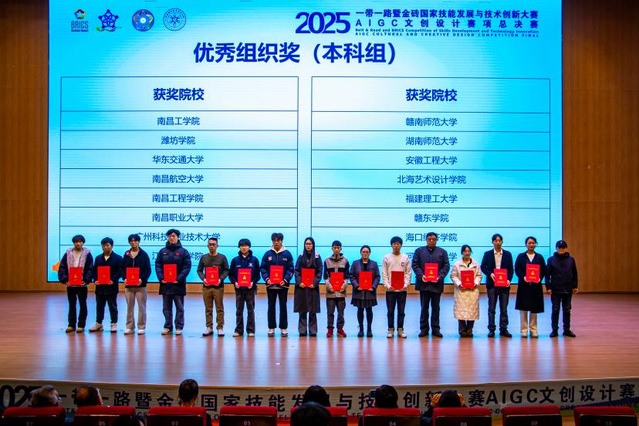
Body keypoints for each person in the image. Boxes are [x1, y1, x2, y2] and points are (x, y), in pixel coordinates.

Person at [412, 232, 450, 338]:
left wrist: (439, 276)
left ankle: (436, 329)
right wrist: (421, 275)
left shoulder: (442, 252)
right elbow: (415, 264)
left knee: (436, 308)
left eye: (433, 239)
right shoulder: (419, 251)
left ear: (436, 240)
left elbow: (446, 266)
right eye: (429, 239)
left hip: (436, 284)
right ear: (426, 240)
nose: (431, 241)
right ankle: (424, 329)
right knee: (424, 308)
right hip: (424, 284)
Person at [155, 229, 192, 336]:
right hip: (165, 284)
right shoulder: (162, 251)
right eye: (170, 236)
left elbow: (187, 267)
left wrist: (179, 279)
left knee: (179, 308)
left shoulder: (183, 252)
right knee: (166, 308)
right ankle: (168, 326)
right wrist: (161, 278)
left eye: (174, 236)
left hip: (178, 284)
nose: (171, 238)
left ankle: (179, 326)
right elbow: (158, 265)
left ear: (178, 237)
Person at [260, 232, 295, 337]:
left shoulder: (287, 254)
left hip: (283, 286)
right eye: (274, 240)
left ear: (281, 241)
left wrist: (285, 279)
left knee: (283, 306)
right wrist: (267, 279)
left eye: (278, 240)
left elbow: (291, 269)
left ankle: (283, 328)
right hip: (270, 286)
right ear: (272, 241)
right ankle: (271, 327)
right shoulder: (267, 254)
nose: (276, 242)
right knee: (271, 307)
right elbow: (263, 268)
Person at [480, 233, 514, 338]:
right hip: (492, 285)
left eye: (499, 241)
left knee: (504, 309)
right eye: (496, 241)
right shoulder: (487, 254)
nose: (498, 242)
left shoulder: (508, 254)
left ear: (502, 242)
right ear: (492, 242)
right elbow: (483, 267)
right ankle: (491, 329)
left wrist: (509, 279)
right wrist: (490, 274)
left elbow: (511, 269)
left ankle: (503, 329)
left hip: (504, 285)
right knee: (492, 309)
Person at [58, 234, 93, 333]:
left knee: (83, 304)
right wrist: (65, 279)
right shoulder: (68, 253)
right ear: (73, 243)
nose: (78, 244)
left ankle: (81, 325)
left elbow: (90, 268)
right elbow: (62, 267)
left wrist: (86, 280)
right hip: (71, 284)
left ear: (83, 243)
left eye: (80, 242)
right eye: (76, 242)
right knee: (71, 304)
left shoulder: (87, 254)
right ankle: (71, 325)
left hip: (82, 285)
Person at [514, 236, 547, 338]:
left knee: (534, 308)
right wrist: (523, 277)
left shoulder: (539, 257)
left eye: (533, 243)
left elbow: (543, 270)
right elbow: (517, 269)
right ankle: (524, 330)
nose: (531, 245)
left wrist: (539, 278)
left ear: (535, 244)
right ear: (526, 244)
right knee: (523, 308)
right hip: (524, 286)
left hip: (535, 287)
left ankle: (533, 329)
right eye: (529, 243)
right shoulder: (521, 256)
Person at [197, 237, 229, 337]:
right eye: (210, 244)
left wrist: (220, 279)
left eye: (213, 244)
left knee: (219, 308)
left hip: (218, 287)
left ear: (217, 245)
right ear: (207, 246)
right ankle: (209, 327)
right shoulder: (204, 257)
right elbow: (199, 270)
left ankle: (220, 327)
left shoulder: (222, 257)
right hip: (207, 287)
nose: (212, 246)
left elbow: (226, 270)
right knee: (208, 308)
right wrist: (203, 279)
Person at [90, 237, 123, 333]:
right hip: (100, 287)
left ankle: (113, 324)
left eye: (107, 245)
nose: (105, 247)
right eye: (103, 245)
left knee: (112, 306)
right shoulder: (98, 258)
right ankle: (99, 324)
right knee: (99, 306)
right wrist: (95, 279)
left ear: (112, 246)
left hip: (112, 287)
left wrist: (113, 279)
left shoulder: (118, 258)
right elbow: (94, 271)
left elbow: (120, 271)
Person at [546, 240, 579, 338]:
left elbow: (575, 274)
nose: (561, 249)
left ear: (565, 248)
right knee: (555, 309)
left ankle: (567, 330)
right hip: (555, 289)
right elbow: (547, 275)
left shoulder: (571, 259)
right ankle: (554, 330)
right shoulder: (551, 260)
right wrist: (548, 287)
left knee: (567, 310)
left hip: (567, 289)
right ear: (556, 248)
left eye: (563, 247)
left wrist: (575, 286)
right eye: (559, 247)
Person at [229, 238, 260, 337]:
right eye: (242, 246)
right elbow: (231, 275)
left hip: (250, 289)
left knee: (250, 310)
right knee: (239, 310)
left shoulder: (254, 260)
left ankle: (251, 330)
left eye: (246, 245)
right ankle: (238, 330)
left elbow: (257, 275)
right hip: (239, 289)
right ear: (239, 247)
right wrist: (235, 282)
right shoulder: (235, 260)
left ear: (249, 247)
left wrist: (253, 282)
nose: (244, 248)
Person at [122, 234, 152, 335]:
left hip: (140, 286)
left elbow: (148, 270)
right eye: (131, 241)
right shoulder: (126, 254)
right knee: (129, 307)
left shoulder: (144, 254)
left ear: (139, 242)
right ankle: (129, 327)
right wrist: (124, 278)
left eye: (135, 241)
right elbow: (122, 268)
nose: (133, 242)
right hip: (129, 285)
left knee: (141, 307)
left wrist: (142, 279)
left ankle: (141, 326)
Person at [450, 245, 482, 338]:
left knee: (472, 311)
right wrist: (459, 284)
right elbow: (453, 276)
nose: (467, 253)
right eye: (465, 251)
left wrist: (475, 283)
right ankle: (462, 330)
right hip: (461, 291)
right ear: (462, 252)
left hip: (473, 291)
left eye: (468, 251)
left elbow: (479, 275)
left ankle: (469, 330)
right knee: (461, 311)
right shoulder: (457, 264)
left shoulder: (475, 264)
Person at [382, 237, 411, 338]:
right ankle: (390, 329)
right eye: (394, 244)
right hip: (390, 290)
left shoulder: (405, 258)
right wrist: (387, 285)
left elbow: (408, 273)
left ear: (401, 245)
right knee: (390, 311)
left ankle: (400, 329)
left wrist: (405, 285)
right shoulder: (387, 257)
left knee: (401, 311)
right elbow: (384, 273)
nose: (396, 246)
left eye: (398, 244)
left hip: (402, 290)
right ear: (391, 245)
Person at [294, 237, 323, 337]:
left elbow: (320, 271)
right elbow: (296, 270)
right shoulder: (300, 257)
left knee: (313, 309)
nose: (308, 246)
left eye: (310, 244)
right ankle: (302, 330)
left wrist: (314, 283)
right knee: (302, 309)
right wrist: (299, 282)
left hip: (312, 287)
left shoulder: (317, 257)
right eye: (306, 244)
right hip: (301, 287)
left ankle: (312, 330)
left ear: (313, 245)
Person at [350, 245, 380, 337]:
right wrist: (356, 285)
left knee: (369, 310)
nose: (365, 253)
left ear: (369, 253)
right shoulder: (355, 263)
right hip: (359, 291)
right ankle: (361, 329)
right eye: (363, 252)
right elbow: (351, 276)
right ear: (361, 253)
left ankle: (369, 329)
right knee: (360, 310)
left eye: (367, 252)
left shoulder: (374, 264)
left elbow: (377, 277)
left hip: (370, 291)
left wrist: (373, 286)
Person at [324, 240, 350, 338]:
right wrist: (329, 286)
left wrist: (344, 286)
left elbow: (346, 276)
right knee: (330, 312)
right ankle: (330, 329)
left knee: (341, 312)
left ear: (341, 248)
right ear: (332, 248)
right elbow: (325, 276)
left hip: (341, 292)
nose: (336, 249)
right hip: (330, 291)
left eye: (338, 247)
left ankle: (340, 329)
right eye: (334, 247)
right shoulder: (327, 261)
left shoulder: (345, 261)